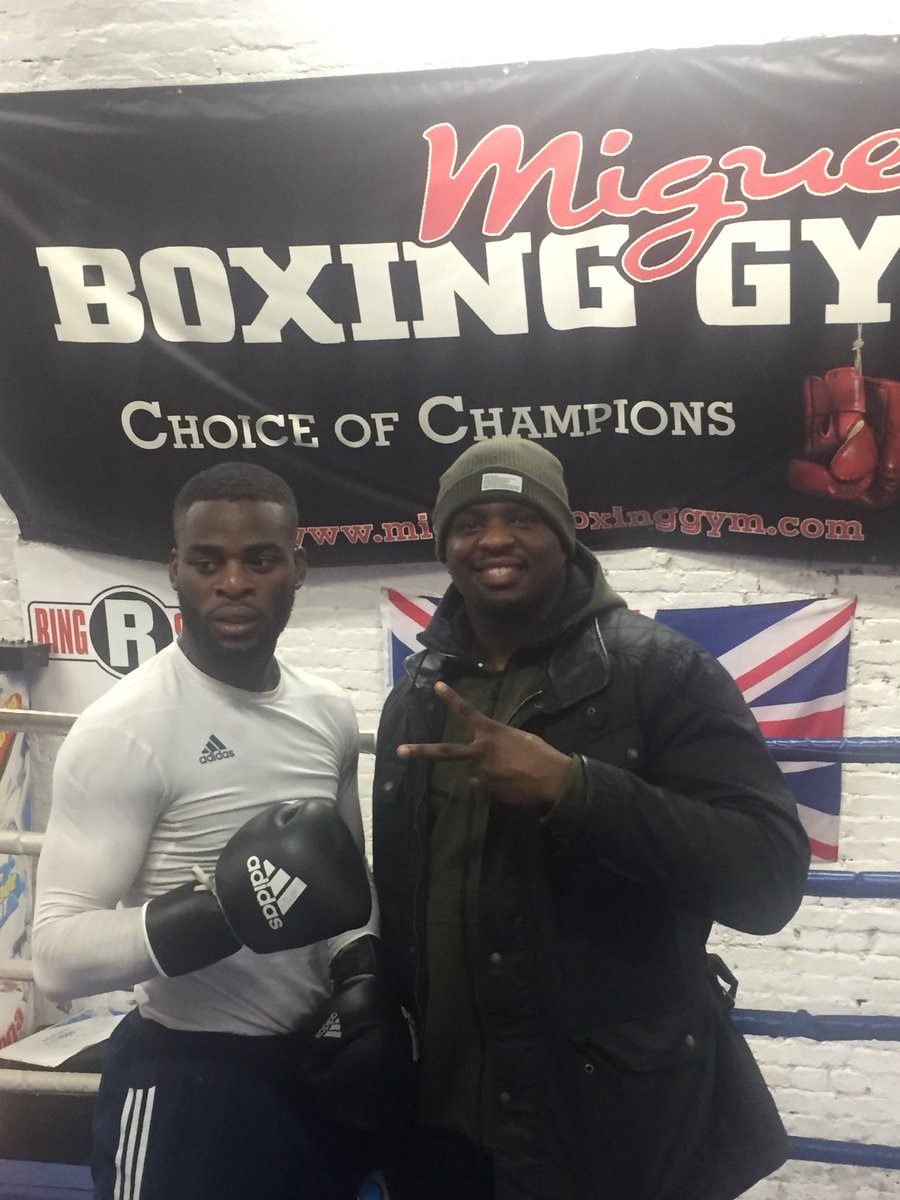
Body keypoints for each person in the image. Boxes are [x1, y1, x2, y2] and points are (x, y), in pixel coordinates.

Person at [371, 436, 812, 1200]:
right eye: (470, 522)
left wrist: (576, 791)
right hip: (444, 1134)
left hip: (606, 1132)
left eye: (521, 518)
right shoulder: (416, 696)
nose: (495, 539)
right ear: (443, 544)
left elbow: (768, 876)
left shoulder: (658, 671)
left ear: (565, 536)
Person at [32, 462, 401, 1200]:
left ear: (297, 568)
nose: (234, 583)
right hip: (185, 1082)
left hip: (311, 1076)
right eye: (208, 562)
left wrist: (361, 983)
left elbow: (342, 884)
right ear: (176, 571)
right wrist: (227, 910)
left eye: (260, 560)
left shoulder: (327, 711)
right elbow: (55, 958)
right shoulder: (125, 730)